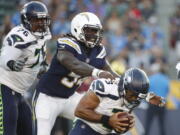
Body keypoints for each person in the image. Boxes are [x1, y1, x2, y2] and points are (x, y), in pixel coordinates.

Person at [34, 12, 121, 135]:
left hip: (70, 97)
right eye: (89, 30)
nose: (93, 35)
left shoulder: (98, 50)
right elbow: (71, 63)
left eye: (95, 31)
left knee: (101, 117)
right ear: (77, 29)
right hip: (47, 97)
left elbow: (110, 72)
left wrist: (132, 87)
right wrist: (97, 72)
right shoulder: (67, 42)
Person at [0, 1, 51, 135]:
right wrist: (12, 64)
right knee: (7, 131)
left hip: (19, 92)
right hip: (4, 88)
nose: (41, 23)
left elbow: (38, 55)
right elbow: (3, 59)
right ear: (26, 20)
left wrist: (43, 67)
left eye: (43, 20)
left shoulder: (43, 35)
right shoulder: (19, 35)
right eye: (36, 20)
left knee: (28, 128)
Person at [69, 68, 165, 135]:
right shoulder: (105, 87)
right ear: (124, 87)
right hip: (86, 128)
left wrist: (124, 126)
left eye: (138, 97)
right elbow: (79, 111)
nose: (134, 99)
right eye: (132, 95)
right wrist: (108, 120)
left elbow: (117, 129)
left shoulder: (134, 96)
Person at [144, 63, 170, 135]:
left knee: (148, 123)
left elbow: (147, 92)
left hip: (152, 104)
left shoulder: (150, 79)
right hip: (162, 103)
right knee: (162, 124)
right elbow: (167, 91)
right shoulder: (166, 79)